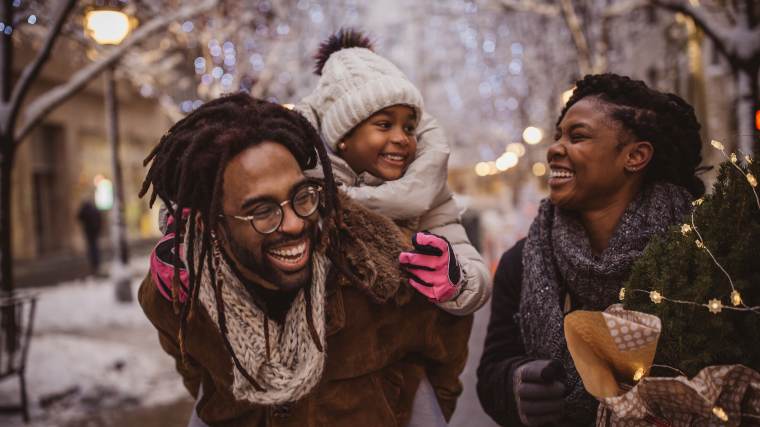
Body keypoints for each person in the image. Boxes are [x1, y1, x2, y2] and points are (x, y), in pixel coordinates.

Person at [138, 93, 472, 427]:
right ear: (210, 225)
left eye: (302, 196)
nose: (296, 222)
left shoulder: (378, 273)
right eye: (262, 212)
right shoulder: (179, 295)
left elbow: (445, 351)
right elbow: (197, 374)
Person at [476, 73, 707, 426]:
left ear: (635, 156)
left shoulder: (703, 253)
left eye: (577, 136)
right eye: (557, 136)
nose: (555, 148)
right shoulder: (521, 262)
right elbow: (492, 371)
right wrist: (517, 382)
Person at [296, 29, 491, 316]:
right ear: (343, 136)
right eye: (385, 125)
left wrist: (458, 279)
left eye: (409, 128)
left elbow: (475, 270)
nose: (403, 138)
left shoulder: (427, 192)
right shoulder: (301, 191)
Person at [77, 197, 103, 275]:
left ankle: (93, 263)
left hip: (88, 232)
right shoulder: (94, 209)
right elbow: (99, 218)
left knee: (91, 247)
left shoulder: (85, 209)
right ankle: (96, 262)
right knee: (94, 247)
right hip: (94, 232)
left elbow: (79, 217)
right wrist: (98, 228)